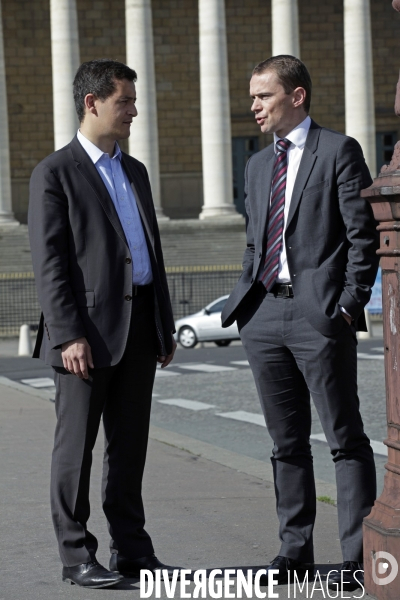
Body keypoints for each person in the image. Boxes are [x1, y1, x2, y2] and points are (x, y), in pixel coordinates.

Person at [221, 55, 379, 592]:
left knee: (343, 438)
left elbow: (363, 238)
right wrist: (247, 304)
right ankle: (295, 553)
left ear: (296, 96)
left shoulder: (339, 151)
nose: (254, 106)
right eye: (252, 97)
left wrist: (347, 305)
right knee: (285, 442)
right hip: (263, 314)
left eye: (263, 96)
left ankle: (356, 559)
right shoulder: (257, 164)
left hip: (319, 315)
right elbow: (253, 241)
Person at [28, 59, 180, 589]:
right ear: (92, 103)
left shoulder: (134, 170)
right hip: (84, 338)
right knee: (76, 450)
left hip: (138, 329)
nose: (134, 111)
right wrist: (68, 333)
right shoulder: (55, 172)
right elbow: (49, 264)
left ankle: (133, 552)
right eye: (125, 102)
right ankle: (76, 556)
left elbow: (150, 254)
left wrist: (163, 324)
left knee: (129, 449)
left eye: (134, 102)